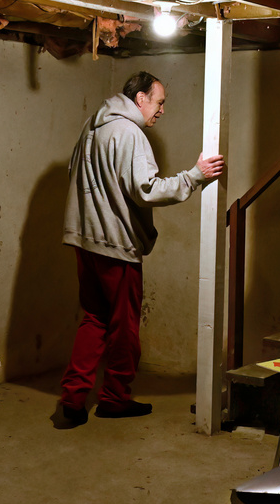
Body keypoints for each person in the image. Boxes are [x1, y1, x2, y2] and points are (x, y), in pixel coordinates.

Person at [59, 71, 224, 425]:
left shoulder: (93, 126)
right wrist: (194, 175)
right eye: (159, 102)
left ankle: (72, 402)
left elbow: (75, 174)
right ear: (140, 100)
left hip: (85, 239)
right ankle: (115, 398)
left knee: (93, 319)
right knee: (124, 327)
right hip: (114, 244)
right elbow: (144, 189)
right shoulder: (129, 133)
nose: (162, 110)